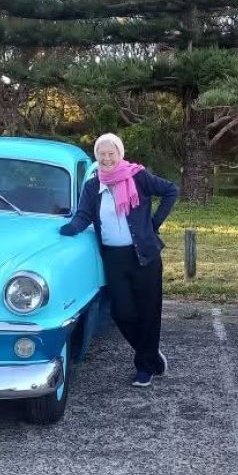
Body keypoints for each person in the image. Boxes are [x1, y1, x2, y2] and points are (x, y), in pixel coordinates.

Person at [59, 133, 179, 387]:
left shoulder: (138, 176)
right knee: (121, 311)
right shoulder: (93, 186)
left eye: (110, 153)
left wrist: (154, 224)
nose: (106, 158)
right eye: (101, 154)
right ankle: (150, 354)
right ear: (96, 156)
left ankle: (144, 367)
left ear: (119, 153)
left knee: (148, 312)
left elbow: (171, 190)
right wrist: (70, 229)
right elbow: (84, 215)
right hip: (114, 258)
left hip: (144, 256)